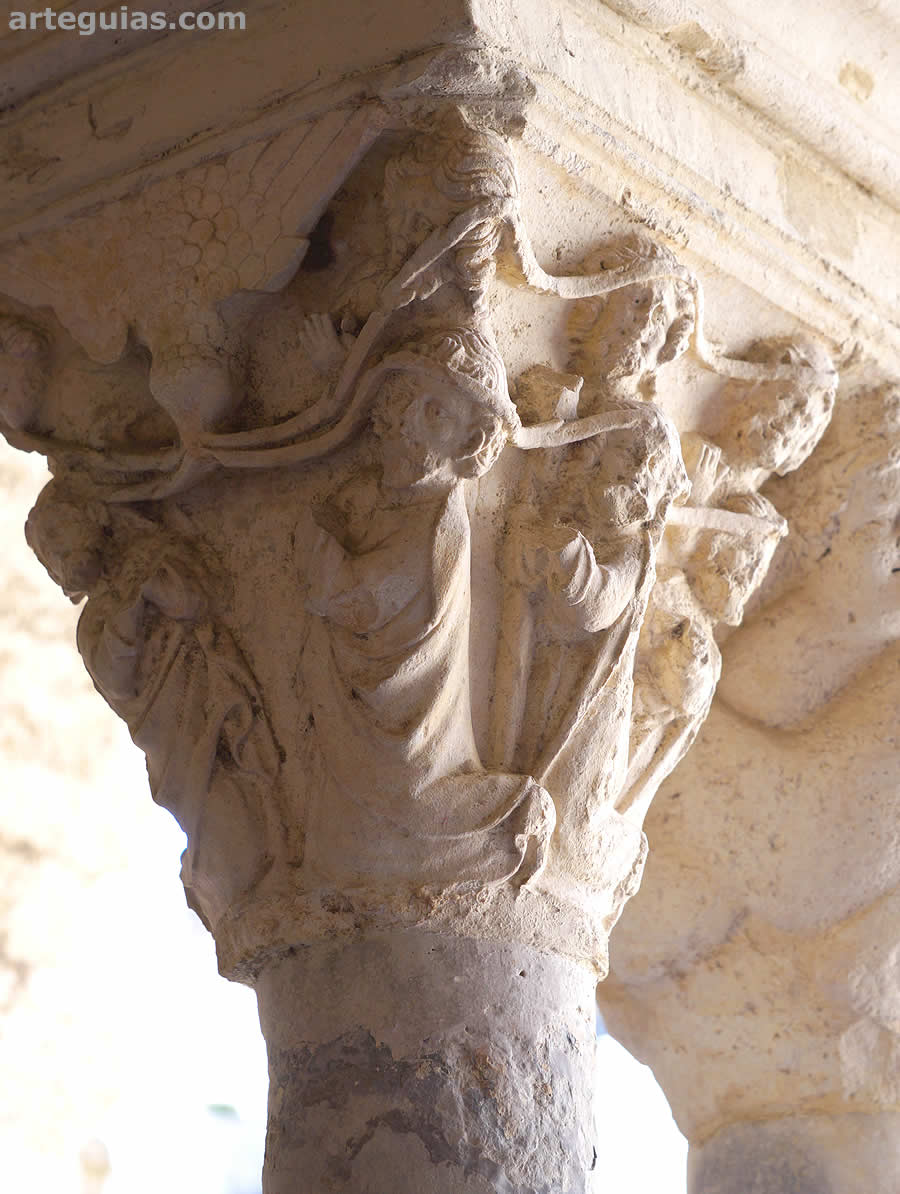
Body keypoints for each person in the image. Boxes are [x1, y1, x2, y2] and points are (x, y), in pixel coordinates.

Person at [298, 325, 556, 892]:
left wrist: (311, 535)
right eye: (406, 405)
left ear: (470, 445)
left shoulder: (436, 524)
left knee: (399, 806)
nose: (409, 421)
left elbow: (348, 595)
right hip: (363, 708)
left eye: (437, 413)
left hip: (407, 740)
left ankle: (507, 814)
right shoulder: (397, 498)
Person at [25, 483, 282, 929]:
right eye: (52, 560)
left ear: (96, 524)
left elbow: (191, 598)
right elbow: (116, 677)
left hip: (212, 702)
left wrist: (147, 587)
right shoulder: (93, 623)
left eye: (63, 544)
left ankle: (264, 864)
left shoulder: (151, 557)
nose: (62, 564)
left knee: (239, 800)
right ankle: (235, 880)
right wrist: (128, 613)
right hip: (169, 735)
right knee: (210, 813)